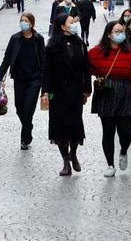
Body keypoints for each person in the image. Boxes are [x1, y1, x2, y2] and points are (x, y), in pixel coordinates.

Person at [88, 21, 131, 177]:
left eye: (122, 31)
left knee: (125, 133)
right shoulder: (96, 52)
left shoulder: (129, 53)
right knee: (108, 132)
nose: (120, 34)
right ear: (109, 34)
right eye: (116, 31)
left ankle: (123, 151)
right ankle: (110, 164)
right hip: (106, 93)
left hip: (125, 94)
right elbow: (85, 67)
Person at [42, 13, 91, 176]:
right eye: (71, 21)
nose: (75, 23)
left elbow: (86, 68)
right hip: (58, 92)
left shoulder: (80, 43)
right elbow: (46, 71)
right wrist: (45, 92)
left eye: (75, 21)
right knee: (59, 128)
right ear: (63, 26)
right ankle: (65, 161)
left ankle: (74, 153)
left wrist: (86, 89)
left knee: (75, 126)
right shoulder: (52, 46)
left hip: (76, 91)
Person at [0, 13, 46, 150]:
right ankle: (28, 125)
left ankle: (25, 139)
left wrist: (45, 82)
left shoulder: (39, 39)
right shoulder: (15, 39)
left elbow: (44, 61)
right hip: (19, 79)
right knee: (20, 108)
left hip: (35, 79)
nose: (23, 23)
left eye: (26, 21)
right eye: (21, 21)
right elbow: (7, 59)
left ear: (32, 24)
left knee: (29, 108)